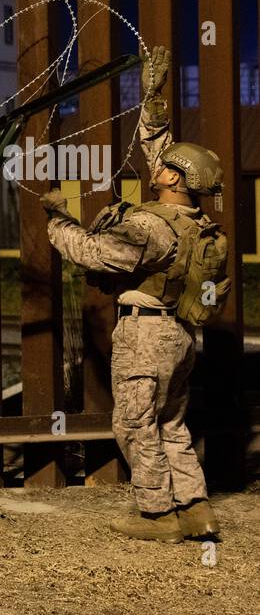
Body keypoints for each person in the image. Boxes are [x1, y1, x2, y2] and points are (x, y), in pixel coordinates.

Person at [41, 45, 227, 543]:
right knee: (172, 424)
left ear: (173, 178)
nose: (158, 165)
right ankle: (196, 509)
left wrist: (58, 220)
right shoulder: (198, 225)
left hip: (145, 335)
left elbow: (97, 254)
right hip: (182, 336)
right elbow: (157, 144)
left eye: (165, 166)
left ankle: (155, 514)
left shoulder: (149, 225)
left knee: (135, 423)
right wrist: (153, 97)